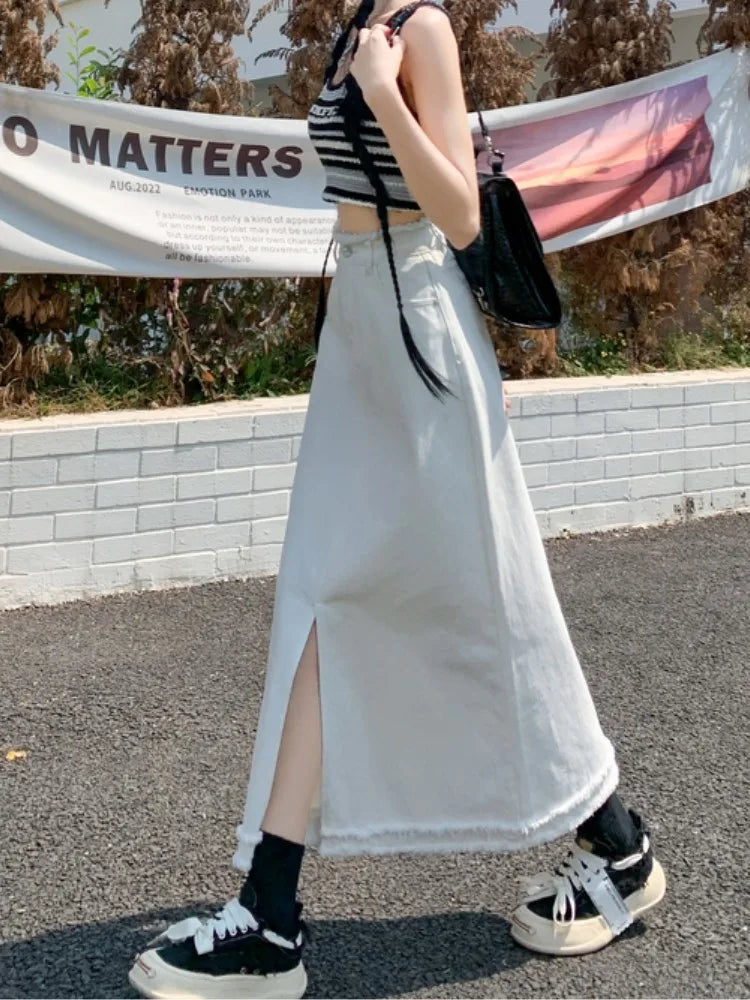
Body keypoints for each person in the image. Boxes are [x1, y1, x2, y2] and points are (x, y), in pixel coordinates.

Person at [128, 1, 666, 997]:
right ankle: (271, 914)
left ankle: (616, 843)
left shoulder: (420, 30)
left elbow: (459, 214)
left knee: (488, 607)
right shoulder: (357, 24)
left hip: (421, 338)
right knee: (324, 600)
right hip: (365, 340)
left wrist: (382, 93)